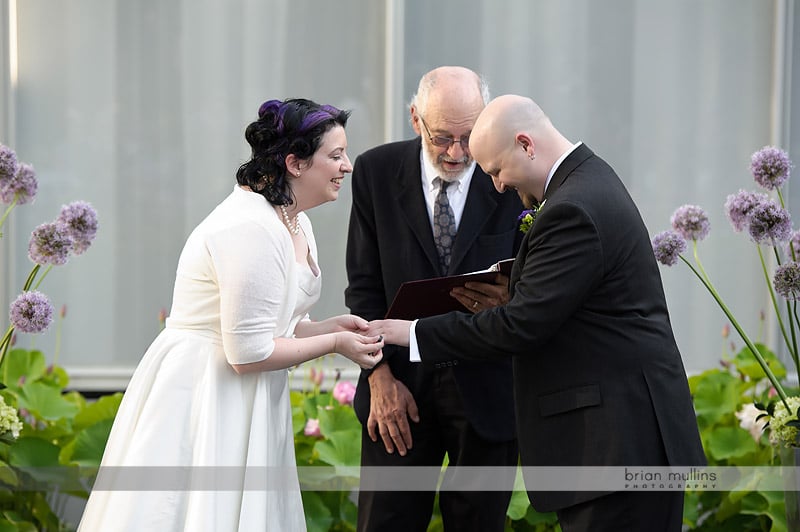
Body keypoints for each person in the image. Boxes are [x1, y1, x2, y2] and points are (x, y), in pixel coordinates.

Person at [370, 94, 706, 532]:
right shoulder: (588, 181)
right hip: (618, 446)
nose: (498, 186)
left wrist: (412, 331)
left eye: (495, 170)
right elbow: (576, 304)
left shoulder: (571, 208)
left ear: (526, 144)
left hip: (617, 446)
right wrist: (520, 294)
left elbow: (521, 327)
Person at [78, 98, 384, 532]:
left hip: (248, 389)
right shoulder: (250, 227)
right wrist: (334, 345)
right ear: (295, 163)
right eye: (335, 155)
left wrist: (327, 326)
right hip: (208, 390)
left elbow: (274, 321)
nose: (347, 166)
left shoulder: (291, 218)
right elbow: (248, 352)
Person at [344, 66, 522, 532]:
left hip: (487, 387)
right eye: (443, 136)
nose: (458, 152)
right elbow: (363, 287)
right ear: (414, 118)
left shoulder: (512, 176)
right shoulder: (376, 172)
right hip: (397, 387)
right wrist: (377, 374)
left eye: (469, 135)